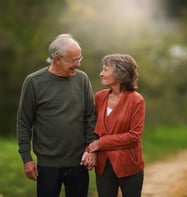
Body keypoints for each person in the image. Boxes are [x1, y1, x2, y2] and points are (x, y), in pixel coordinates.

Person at [17, 33, 97, 197]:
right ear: (57, 59)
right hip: (47, 165)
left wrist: (92, 148)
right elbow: (24, 122)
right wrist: (26, 157)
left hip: (79, 163)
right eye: (74, 60)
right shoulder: (34, 82)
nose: (79, 64)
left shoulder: (82, 80)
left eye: (80, 58)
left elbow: (90, 117)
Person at [89, 54, 145, 197]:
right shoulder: (99, 97)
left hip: (129, 165)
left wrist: (101, 143)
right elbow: (93, 128)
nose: (101, 73)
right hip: (103, 165)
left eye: (105, 70)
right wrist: (90, 150)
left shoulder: (136, 100)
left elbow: (134, 136)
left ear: (120, 73)